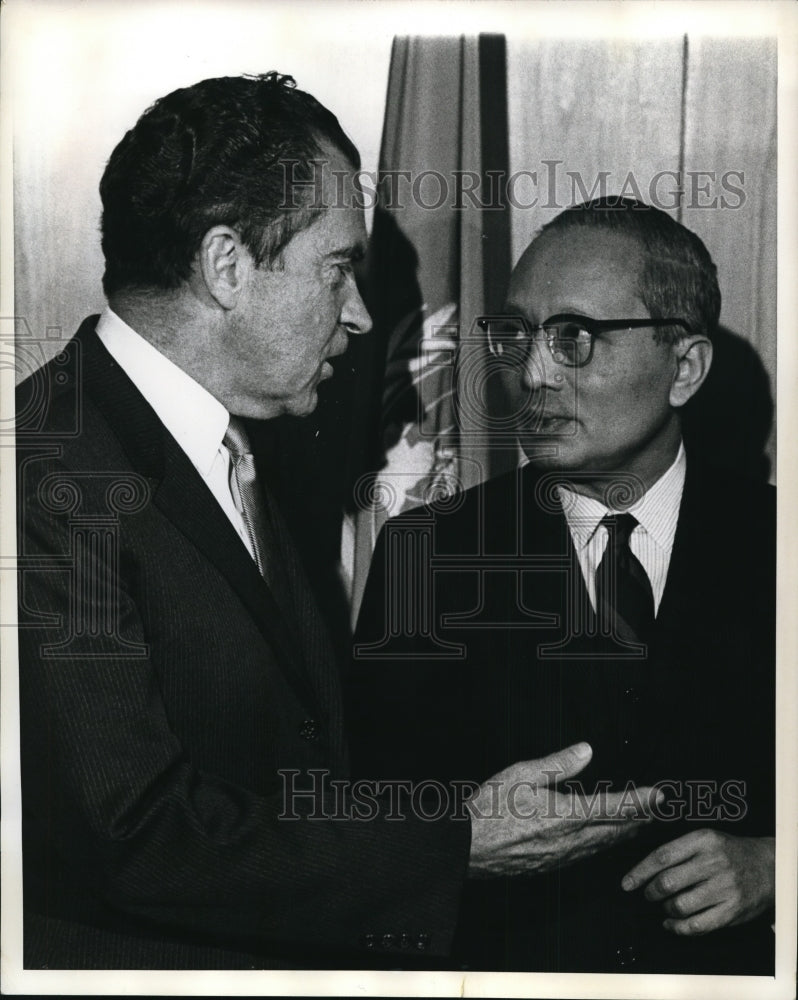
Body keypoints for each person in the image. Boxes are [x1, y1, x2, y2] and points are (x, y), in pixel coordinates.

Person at [14, 77, 660, 970]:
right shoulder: (44, 471)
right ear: (227, 265)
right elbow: (130, 834)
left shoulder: (229, 444)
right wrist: (454, 845)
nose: (360, 312)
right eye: (338, 267)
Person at [350, 197, 775, 974]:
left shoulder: (778, 547)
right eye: (516, 334)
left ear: (684, 368)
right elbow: (376, 830)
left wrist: (779, 866)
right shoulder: (425, 556)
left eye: (576, 337)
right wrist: (460, 839)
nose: (532, 374)